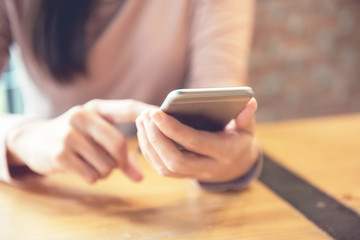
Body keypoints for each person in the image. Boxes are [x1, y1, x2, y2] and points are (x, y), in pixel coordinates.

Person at [0, 0, 262, 191]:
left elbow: (218, 91)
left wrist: (237, 159)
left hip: (170, 191)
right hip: (51, 188)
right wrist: (19, 139)